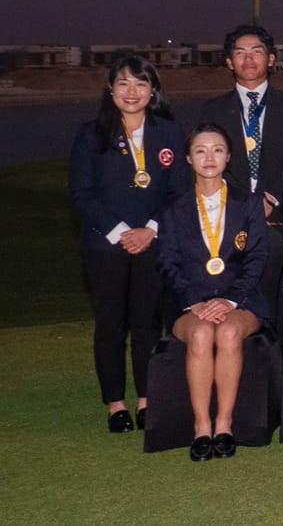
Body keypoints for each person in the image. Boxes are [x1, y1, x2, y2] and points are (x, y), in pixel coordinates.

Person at [68, 56, 187, 434]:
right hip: (105, 245)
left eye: (140, 83)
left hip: (154, 242)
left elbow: (179, 190)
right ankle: (116, 404)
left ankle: (147, 400)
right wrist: (121, 231)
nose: (131, 92)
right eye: (123, 83)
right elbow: (82, 192)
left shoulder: (169, 133)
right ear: (110, 89)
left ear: (153, 90)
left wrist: (151, 229)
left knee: (147, 321)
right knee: (111, 323)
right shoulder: (92, 134)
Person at [156, 124, 265, 460]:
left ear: (228, 156)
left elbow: (257, 258)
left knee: (229, 332)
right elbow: (168, 263)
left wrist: (229, 300)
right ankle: (201, 426)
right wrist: (195, 303)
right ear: (188, 158)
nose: (209, 157)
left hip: (241, 300)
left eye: (217, 150)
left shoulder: (248, 203)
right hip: (189, 304)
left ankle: (224, 424)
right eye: (200, 150)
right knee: (202, 333)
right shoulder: (173, 208)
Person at [199, 25, 283, 328]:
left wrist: (269, 199)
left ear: (271, 59)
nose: (248, 59)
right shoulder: (213, 110)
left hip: (281, 216)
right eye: (240, 53)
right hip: (229, 218)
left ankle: (281, 351)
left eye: (256, 51)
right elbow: (208, 164)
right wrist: (245, 208)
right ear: (229, 62)